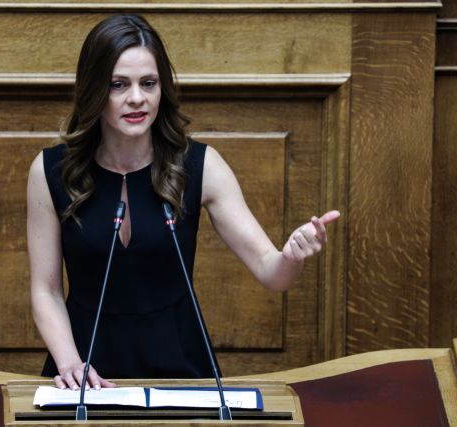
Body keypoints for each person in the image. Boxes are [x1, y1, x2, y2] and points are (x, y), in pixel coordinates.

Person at [26, 14, 340, 391]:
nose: (137, 98)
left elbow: (270, 271)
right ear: (94, 89)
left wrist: (292, 256)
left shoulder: (200, 166)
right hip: (85, 375)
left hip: (180, 371)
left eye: (149, 83)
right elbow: (46, 290)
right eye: (118, 85)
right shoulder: (51, 171)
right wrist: (70, 363)